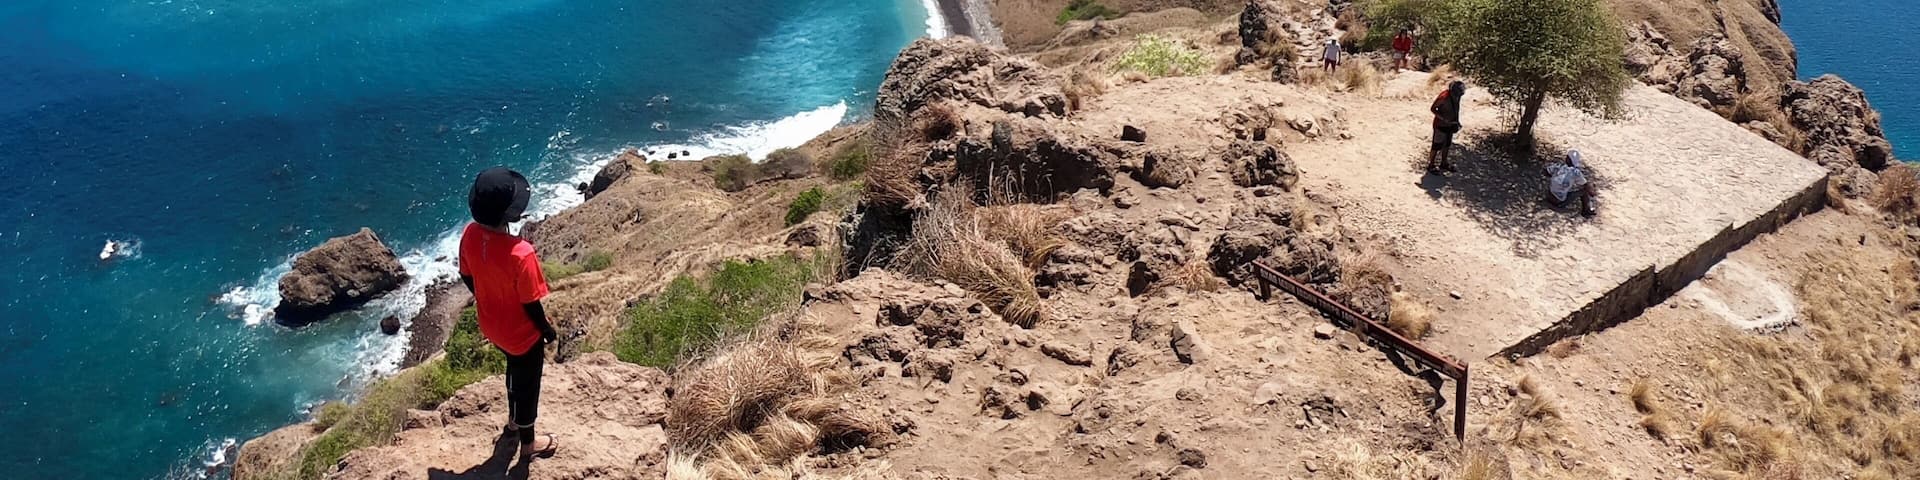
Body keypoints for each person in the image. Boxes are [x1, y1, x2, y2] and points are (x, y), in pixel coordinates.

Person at [459, 167, 560, 459]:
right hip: (521, 334)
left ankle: (513, 422)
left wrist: (487, 297)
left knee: (513, 373)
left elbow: (467, 275)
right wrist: (546, 330)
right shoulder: (521, 253)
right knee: (528, 386)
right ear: (510, 215)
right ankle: (528, 445)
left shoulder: (470, 234)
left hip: (491, 324)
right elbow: (531, 303)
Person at [1428, 80, 1466, 173]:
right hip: (1440, 125)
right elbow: (1433, 109)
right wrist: (1443, 118)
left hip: (1451, 124)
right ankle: (1431, 165)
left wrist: (1456, 121)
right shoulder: (1443, 97)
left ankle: (1444, 163)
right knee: (1436, 146)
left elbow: (1456, 109)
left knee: (1447, 145)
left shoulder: (1457, 97)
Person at [1547, 150, 1598, 216]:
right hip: (1559, 202)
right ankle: (1586, 210)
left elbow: (1546, 171)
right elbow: (1585, 184)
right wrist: (1592, 192)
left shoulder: (1559, 166)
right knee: (1584, 191)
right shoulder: (1576, 172)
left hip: (1549, 196)